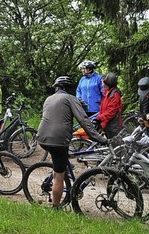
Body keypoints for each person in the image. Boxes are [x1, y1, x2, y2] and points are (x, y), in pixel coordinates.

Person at [37, 76, 107, 208]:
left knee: (58, 162)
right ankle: (56, 207)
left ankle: (56, 178)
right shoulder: (70, 98)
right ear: (69, 88)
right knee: (59, 175)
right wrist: (99, 138)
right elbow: (84, 120)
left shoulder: (49, 98)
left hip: (42, 137)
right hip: (58, 140)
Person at [95, 73, 122, 138]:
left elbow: (111, 111)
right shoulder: (108, 92)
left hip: (112, 125)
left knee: (113, 145)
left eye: (103, 82)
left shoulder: (114, 94)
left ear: (108, 82)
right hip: (107, 123)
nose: (102, 84)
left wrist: (99, 118)